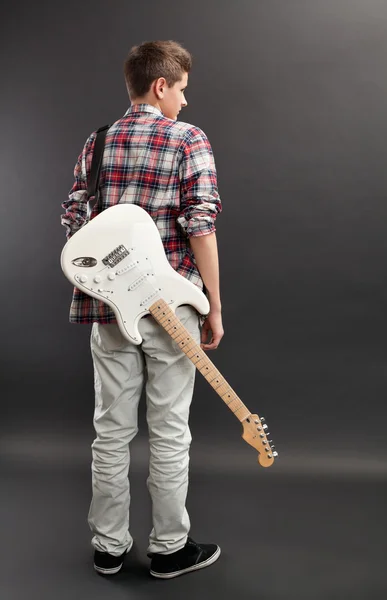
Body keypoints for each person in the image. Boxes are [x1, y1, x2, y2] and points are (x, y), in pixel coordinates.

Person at [61, 40, 224, 579]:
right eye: (181, 89)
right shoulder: (187, 139)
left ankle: (108, 546)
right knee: (170, 429)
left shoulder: (99, 140)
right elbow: (200, 227)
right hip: (173, 308)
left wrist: (111, 278)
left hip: (108, 309)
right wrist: (214, 308)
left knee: (110, 430)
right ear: (161, 85)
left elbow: (74, 223)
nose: (185, 100)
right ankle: (170, 548)